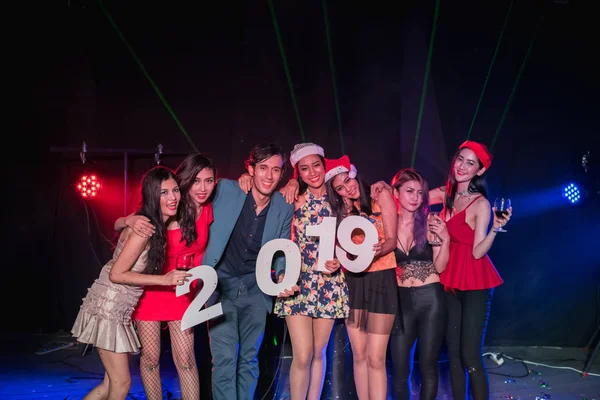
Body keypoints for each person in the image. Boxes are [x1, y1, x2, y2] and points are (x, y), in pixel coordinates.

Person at [72, 166, 192, 400]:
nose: (172, 197)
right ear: (152, 196)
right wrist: (164, 280)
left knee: (110, 384)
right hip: (110, 308)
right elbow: (117, 274)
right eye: (164, 193)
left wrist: (125, 219)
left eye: (175, 190)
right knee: (121, 384)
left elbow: (119, 224)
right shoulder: (145, 228)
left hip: (119, 309)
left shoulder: (149, 223)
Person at [240, 143, 349, 399]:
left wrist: (340, 260)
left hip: (329, 283)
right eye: (304, 168)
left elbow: (352, 241)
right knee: (302, 354)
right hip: (297, 283)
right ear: (297, 173)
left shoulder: (340, 199)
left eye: (316, 165)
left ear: (324, 165)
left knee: (319, 353)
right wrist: (247, 177)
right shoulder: (293, 198)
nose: (312, 172)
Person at [114, 154, 216, 400]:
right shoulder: (160, 213)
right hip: (151, 290)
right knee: (150, 360)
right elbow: (122, 224)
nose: (202, 188)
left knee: (186, 360)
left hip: (182, 291)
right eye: (196, 181)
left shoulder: (203, 209)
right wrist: (127, 219)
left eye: (208, 181)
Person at [202, 143, 294, 400]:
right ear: (250, 168)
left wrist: (283, 276)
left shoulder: (283, 206)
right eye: (262, 168)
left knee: (249, 360)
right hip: (220, 288)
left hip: (257, 290)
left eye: (275, 170)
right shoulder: (227, 190)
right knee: (224, 359)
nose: (269, 175)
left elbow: (281, 251)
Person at [428, 140, 511, 400]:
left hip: (476, 281)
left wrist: (496, 229)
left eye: (470, 163)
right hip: (450, 279)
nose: (462, 166)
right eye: (460, 159)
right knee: (452, 354)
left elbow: (477, 252)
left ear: (480, 171)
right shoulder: (446, 194)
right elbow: (413, 196)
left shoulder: (481, 204)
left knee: (469, 355)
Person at [324, 155, 398, 400]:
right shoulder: (343, 211)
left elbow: (391, 240)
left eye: (348, 179)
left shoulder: (380, 195)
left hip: (381, 283)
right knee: (359, 355)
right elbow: (342, 251)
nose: (348, 187)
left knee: (376, 358)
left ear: (354, 173)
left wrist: (376, 250)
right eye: (340, 187)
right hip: (354, 284)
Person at [387, 168, 449, 400]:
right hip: (401, 302)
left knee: (428, 365)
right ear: (396, 192)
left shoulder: (431, 222)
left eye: (420, 192)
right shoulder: (387, 224)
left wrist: (447, 241)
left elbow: (441, 267)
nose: (415, 197)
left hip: (430, 299)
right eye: (409, 191)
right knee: (400, 369)